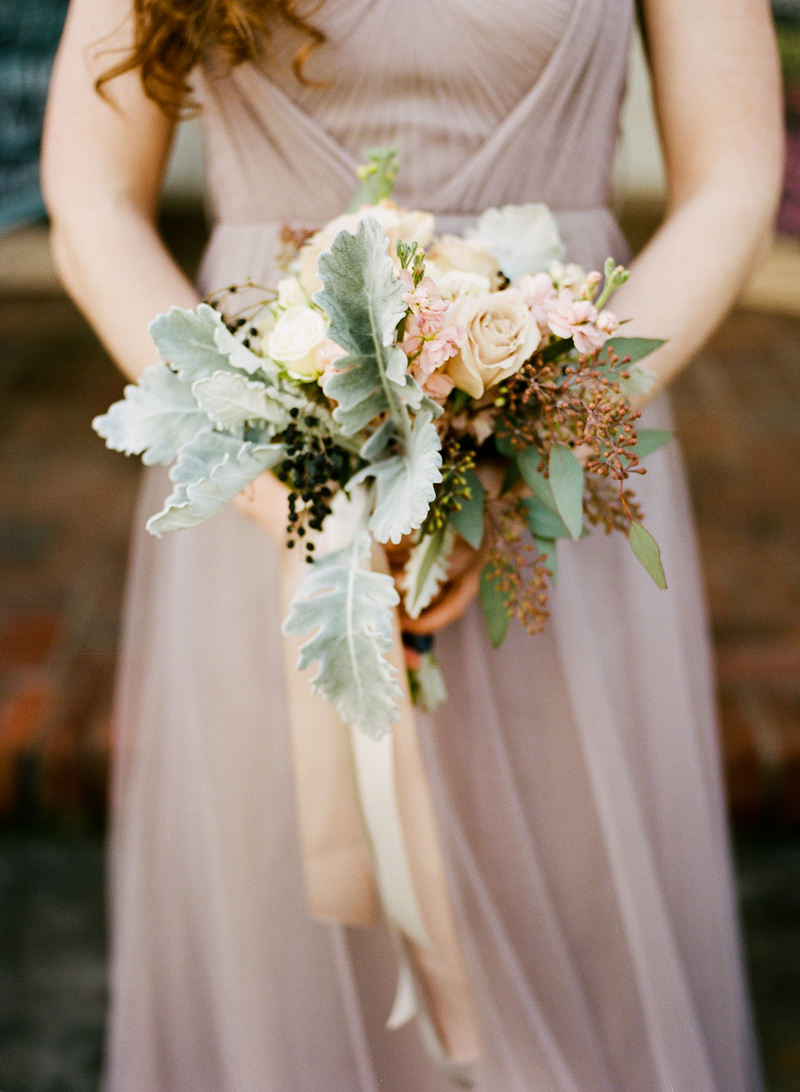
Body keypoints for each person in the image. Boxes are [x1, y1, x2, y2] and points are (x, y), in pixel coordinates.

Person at [41, 1, 783, 1089]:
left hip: (553, 461)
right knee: (291, 946)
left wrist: (530, 442)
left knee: (575, 919)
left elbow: (729, 183)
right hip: (266, 453)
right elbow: (92, 197)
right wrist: (277, 473)